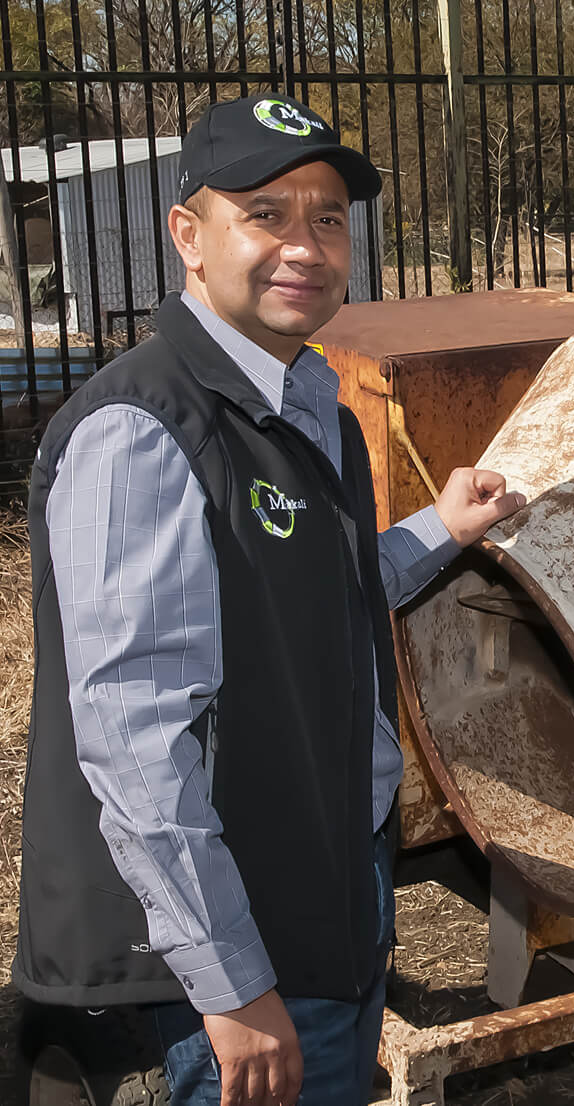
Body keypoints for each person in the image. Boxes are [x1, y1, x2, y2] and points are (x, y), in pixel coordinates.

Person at [13, 92, 525, 1104]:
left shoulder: (307, 406)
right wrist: (236, 984)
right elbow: (134, 741)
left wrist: (443, 528)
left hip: (320, 901)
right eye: (266, 213)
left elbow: (305, 597)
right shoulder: (145, 428)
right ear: (189, 237)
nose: (305, 244)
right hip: (207, 974)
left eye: (327, 217)